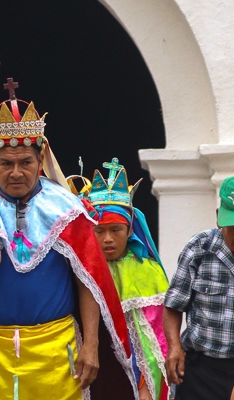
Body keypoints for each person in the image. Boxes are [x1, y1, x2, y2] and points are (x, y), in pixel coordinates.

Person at [0, 84, 137, 399]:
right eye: (5, 164)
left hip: (55, 351)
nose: (16, 172)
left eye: (25, 162)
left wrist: (92, 345)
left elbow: (89, 281)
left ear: (40, 158)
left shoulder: (66, 209)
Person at [164, 173, 234, 399]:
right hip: (203, 374)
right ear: (219, 218)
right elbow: (174, 305)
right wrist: (173, 347)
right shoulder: (198, 249)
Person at [80, 159, 169, 400]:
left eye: (116, 230)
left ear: (130, 230)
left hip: (132, 371)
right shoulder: (77, 269)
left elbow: (152, 344)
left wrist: (147, 388)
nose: (108, 238)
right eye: (99, 231)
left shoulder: (146, 271)